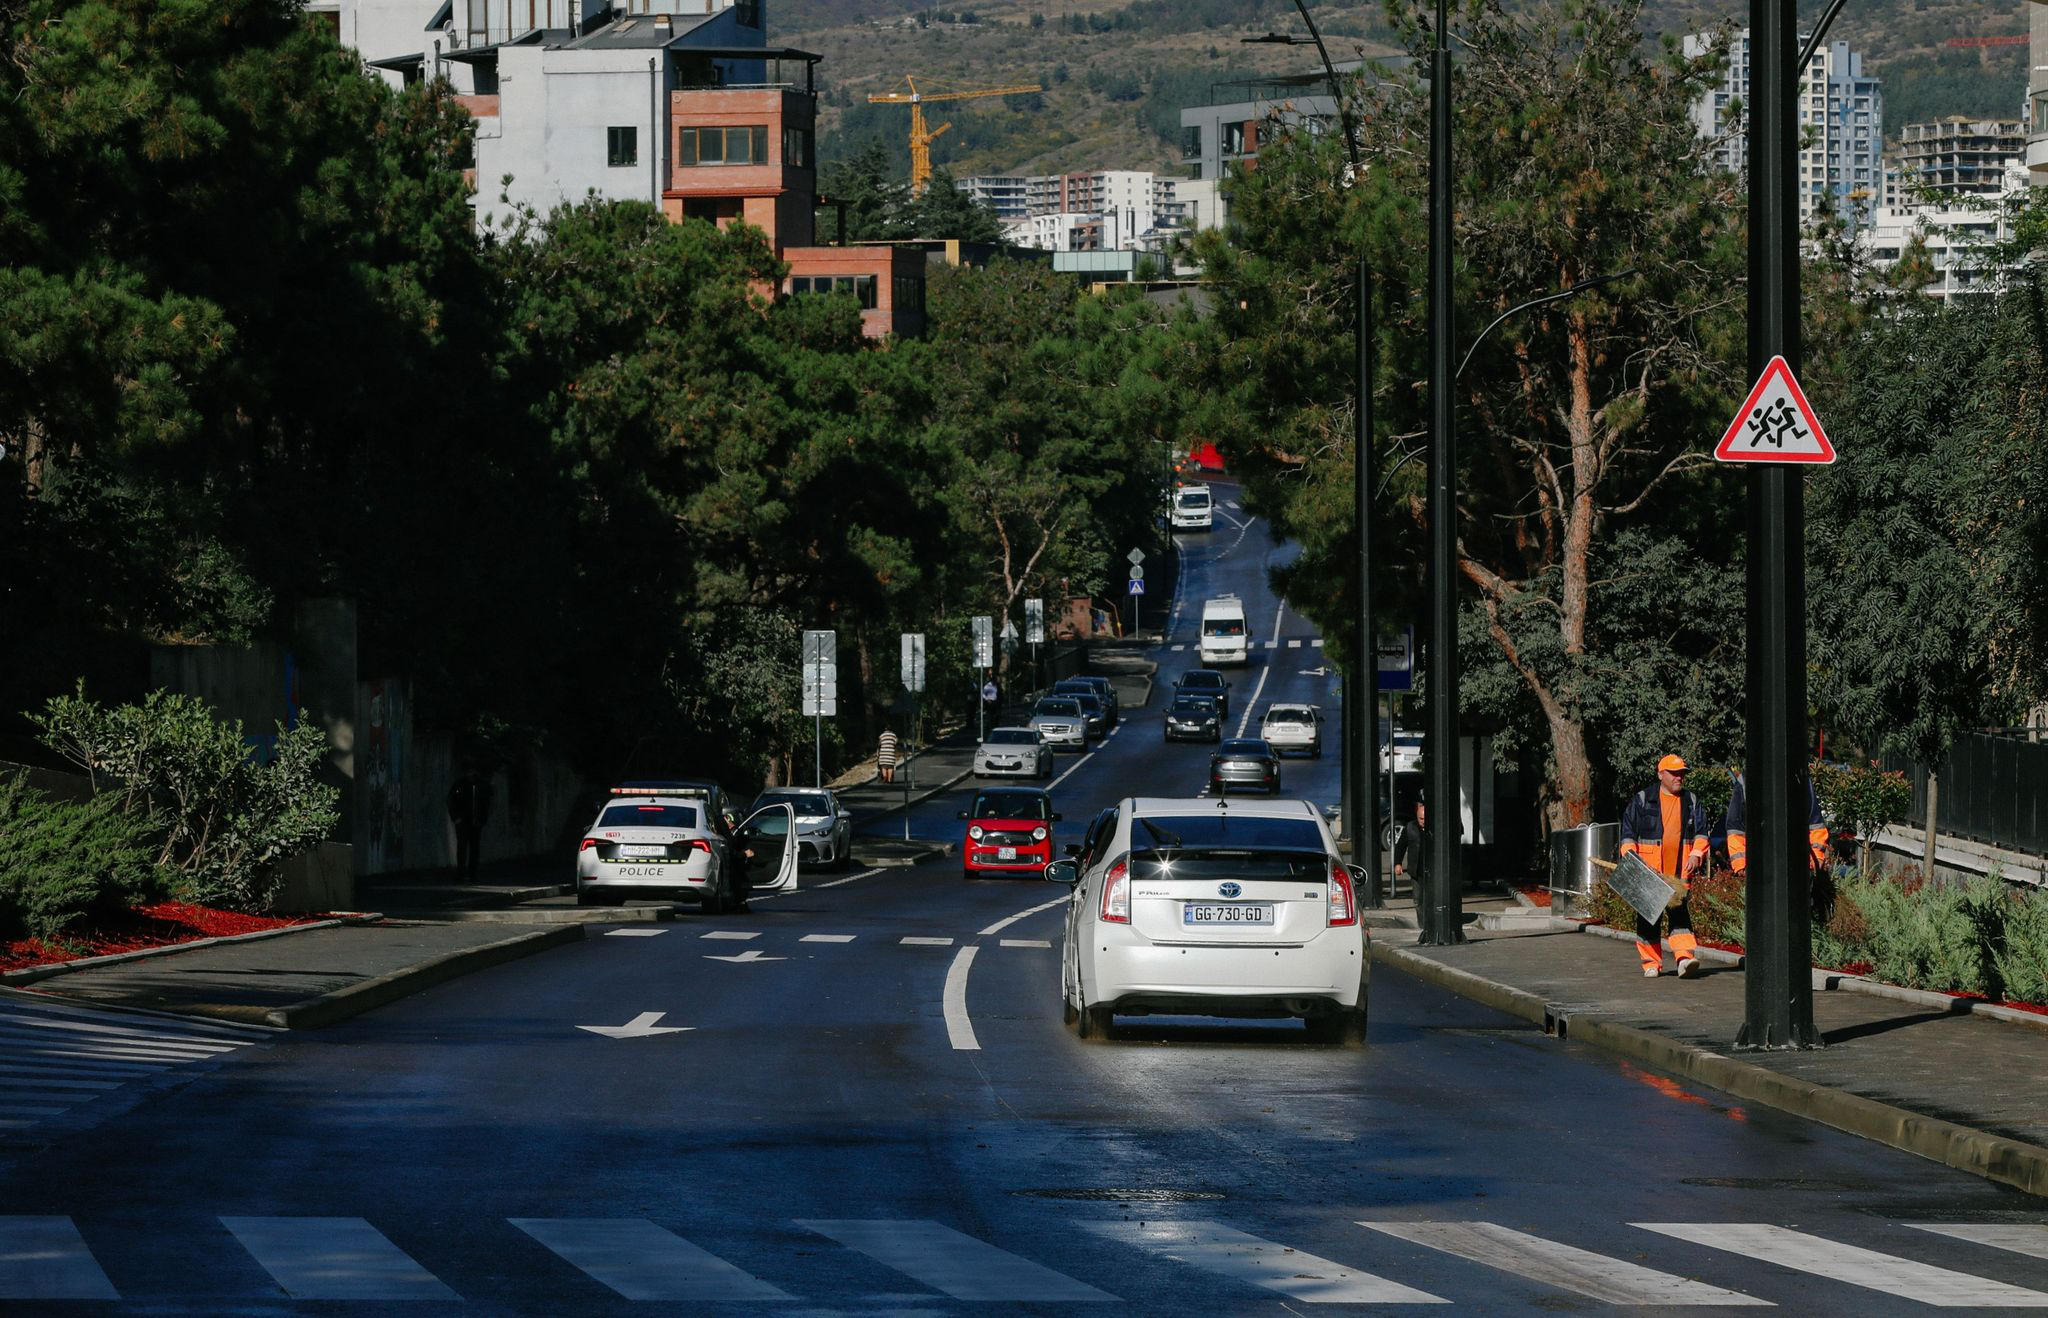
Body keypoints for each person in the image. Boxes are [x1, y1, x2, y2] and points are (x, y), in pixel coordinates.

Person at [1619, 754, 1710, 979]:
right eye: (1674, 773)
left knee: (1680, 916)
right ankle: (1651, 962)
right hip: (1650, 873)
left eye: (1682, 773)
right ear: (1661, 775)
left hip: (1679, 873)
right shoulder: (1642, 800)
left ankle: (1684, 958)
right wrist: (1633, 862)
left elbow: (1701, 833)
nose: (1679, 777)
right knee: (1649, 918)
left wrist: (1697, 853)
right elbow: (1628, 834)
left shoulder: (1691, 801)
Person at [1724, 769, 1832, 920]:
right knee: (1765, 919)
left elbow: (1815, 823)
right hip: (1761, 865)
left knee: (1796, 917)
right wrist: (1741, 863)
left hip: (1796, 865)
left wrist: (1817, 857)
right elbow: (1735, 826)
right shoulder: (1746, 780)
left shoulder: (1800, 777)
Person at [446, 770, 492, 880]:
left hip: (475, 821)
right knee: (463, 847)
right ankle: (461, 873)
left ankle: (472, 874)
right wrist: (456, 818)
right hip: (463, 821)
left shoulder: (480, 784)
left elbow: (486, 802)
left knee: (474, 848)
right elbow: (450, 800)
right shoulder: (460, 783)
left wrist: (482, 819)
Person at [1392, 796, 1428, 902]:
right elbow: (1400, 846)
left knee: (1429, 898)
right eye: (1421, 819)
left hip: (1430, 869)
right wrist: (1397, 863)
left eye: (1425, 819)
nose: (1423, 822)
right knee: (1417, 898)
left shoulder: (1434, 829)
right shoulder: (1410, 827)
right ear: (1417, 817)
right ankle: (1421, 918)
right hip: (1416, 869)